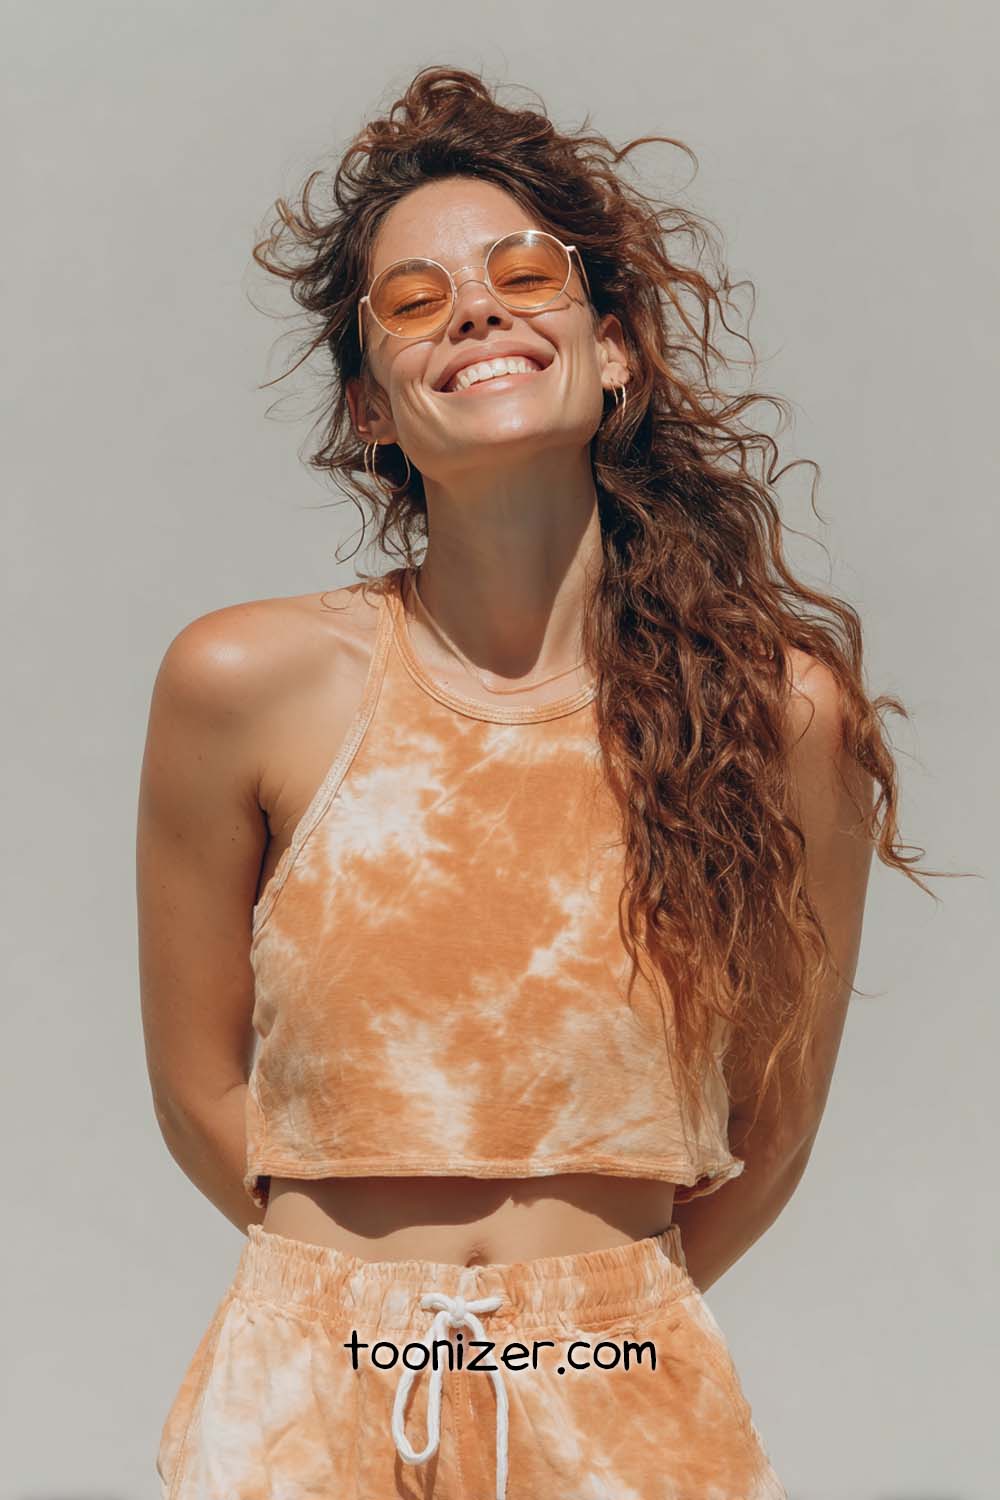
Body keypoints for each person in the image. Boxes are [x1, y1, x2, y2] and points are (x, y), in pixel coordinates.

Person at [138, 64, 925, 1500]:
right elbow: (198, 1084)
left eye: (521, 274)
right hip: (306, 1391)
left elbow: (777, 1115)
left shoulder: (773, 714)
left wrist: (586, 1334)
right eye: (418, 301)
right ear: (370, 406)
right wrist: (349, 1316)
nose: (480, 311)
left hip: (623, 1392)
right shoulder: (240, 685)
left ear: (614, 349)